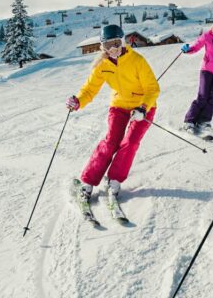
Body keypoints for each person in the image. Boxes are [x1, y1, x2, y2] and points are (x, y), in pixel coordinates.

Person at [65, 24, 160, 204]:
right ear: (103, 46)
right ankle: (88, 181)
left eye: (116, 43)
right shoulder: (102, 65)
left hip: (142, 108)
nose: (113, 48)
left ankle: (114, 180)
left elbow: (152, 88)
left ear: (123, 41)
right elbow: (90, 89)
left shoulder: (137, 60)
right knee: (111, 142)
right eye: (108, 45)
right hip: (119, 106)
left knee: (130, 142)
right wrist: (78, 101)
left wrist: (143, 107)